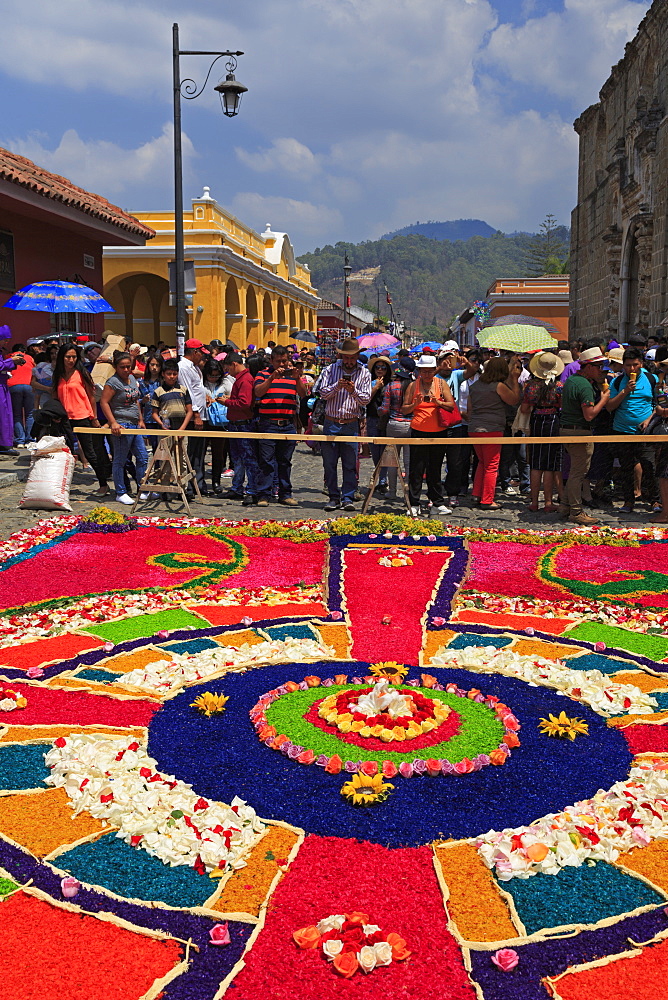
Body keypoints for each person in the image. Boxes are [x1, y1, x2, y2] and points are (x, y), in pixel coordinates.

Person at [317, 338, 372, 511]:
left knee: (350, 463)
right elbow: (322, 393)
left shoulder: (364, 373)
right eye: (346, 358)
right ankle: (333, 496)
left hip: (350, 424)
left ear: (357, 356)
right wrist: (337, 387)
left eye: (352, 358)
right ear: (341, 356)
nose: (349, 362)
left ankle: (348, 497)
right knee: (329, 463)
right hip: (331, 422)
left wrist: (353, 391)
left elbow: (365, 400)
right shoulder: (330, 370)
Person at [559, 346, 610, 524]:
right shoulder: (584, 386)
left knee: (575, 470)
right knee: (578, 473)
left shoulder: (572, 380)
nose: (601, 370)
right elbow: (589, 414)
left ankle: (565, 505)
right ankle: (575, 511)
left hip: (568, 429)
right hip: (578, 431)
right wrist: (604, 398)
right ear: (589, 367)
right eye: (598, 366)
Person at [605, 346, 658, 513]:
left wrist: (649, 420)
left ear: (641, 363)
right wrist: (625, 391)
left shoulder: (651, 379)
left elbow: (658, 404)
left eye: (635, 365)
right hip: (622, 430)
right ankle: (628, 501)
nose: (631, 368)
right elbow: (610, 407)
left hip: (645, 431)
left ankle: (654, 500)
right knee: (626, 468)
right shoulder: (617, 381)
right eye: (628, 365)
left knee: (649, 465)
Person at [401, 354, 455, 516]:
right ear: (419, 371)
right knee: (416, 469)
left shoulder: (441, 383)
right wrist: (415, 404)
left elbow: (451, 405)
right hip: (418, 431)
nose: (426, 375)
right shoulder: (412, 385)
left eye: (429, 371)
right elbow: (404, 409)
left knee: (435, 468)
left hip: (439, 432)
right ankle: (414, 503)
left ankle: (437, 502)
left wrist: (438, 402)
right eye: (423, 371)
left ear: (434, 370)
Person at [53, 343, 110, 495]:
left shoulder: (81, 373)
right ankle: (61, 485)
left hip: (82, 416)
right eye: (67, 357)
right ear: (62, 358)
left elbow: (91, 397)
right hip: (63, 419)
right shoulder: (57, 374)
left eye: (73, 357)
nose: (71, 360)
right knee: (65, 453)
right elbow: (55, 396)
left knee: (90, 452)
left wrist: (94, 417)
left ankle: (103, 484)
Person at [253, 345, 306, 506]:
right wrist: (271, 378)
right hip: (268, 423)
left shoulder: (293, 376)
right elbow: (258, 392)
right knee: (266, 461)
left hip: (288, 424)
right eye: (278, 362)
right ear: (271, 361)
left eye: (284, 361)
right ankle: (264, 494)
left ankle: (285, 493)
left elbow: (303, 394)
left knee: (285, 461)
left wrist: (297, 378)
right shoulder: (262, 374)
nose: (282, 365)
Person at [467, 356, 521, 509]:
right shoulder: (498, 386)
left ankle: (476, 494)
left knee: (482, 463)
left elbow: (470, 409)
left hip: (474, 428)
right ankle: (487, 499)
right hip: (492, 429)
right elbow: (513, 400)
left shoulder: (475, 385)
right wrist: (515, 380)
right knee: (491, 465)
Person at [99, 352, 149, 505]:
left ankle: (143, 489)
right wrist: (112, 422)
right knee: (120, 460)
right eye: (122, 367)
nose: (126, 370)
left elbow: (135, 401)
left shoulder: (132, 378)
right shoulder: (112, 382)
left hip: (134, 424)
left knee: (142, 457)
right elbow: (104, 402)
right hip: (122, 424)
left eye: (128, 366)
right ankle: (120, 492)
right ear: (115, 367)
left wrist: (140, 419)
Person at [521, 352, 564, 512]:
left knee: (535, 463)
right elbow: (561, 405)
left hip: (536, 420)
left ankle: (533, 501)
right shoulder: (559, 386)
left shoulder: (530, 386)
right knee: (549, 465)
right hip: (552, 420)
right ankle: (548, 502)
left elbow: (525, 408)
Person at [222, 352, 261, 506]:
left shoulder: (245, 380)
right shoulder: (241, 379)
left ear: (234, 365)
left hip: (243, 424)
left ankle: (251, 490)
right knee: (237, 458)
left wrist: (227, 402)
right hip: (236, 423)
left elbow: (244, 403)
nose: (228, 372)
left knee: (248, 458)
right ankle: (237, 487)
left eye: (228, 369)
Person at [377, 361, 412, 500]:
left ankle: (392, 491)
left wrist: (379, 411)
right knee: (409, 462)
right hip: (410, 425)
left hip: (393, 424)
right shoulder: (413, 386)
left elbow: (384, 410)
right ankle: (408, 493)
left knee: (393, 462)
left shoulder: (390, 386)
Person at [178, 339, 207, 496]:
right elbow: (187, 391)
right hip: (192, 416)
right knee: (190, 453)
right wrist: (196, 414)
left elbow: (197, 389)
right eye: (201, 353)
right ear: (195, 352)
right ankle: (189, 486)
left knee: (198, 453)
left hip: (201, 413)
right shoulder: (183, 367)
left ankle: (198, 484)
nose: (202, 357)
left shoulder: (194, 367)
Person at [202, 357, 234, 496]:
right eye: (211, 376)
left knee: (218, 454)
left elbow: (234, 396)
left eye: (216, 376)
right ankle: (200, 481)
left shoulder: (226, 382)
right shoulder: (201, 383)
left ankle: (216, 481)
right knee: (201, 452)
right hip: (204, 421)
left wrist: (226, 398)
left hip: (220, 422)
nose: (214, 378)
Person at [366, 357, 393, 494]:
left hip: (387, 420)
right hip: (372, 419)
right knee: (375, 451)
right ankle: (380, 475)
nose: (380, 370)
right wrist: (376, 387)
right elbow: (365, 400)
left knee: (385, 451)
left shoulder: (391, 384)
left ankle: (382, 480)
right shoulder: (369, 383)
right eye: (377, 367)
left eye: (383, 367)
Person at [7, 343, 34, 445]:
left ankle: (20, 440)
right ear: (24, 351)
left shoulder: (9, 357)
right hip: (29, 385)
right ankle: (30, 439)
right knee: (30, 414)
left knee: (17, 414)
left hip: (13, 386)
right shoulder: (29, 358)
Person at [31, 341, 59, 410]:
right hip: (46, 397)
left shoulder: (64, 366)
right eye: (52, 353)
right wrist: (47, 389)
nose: (54, 355)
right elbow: (33, 383)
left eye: (56, 353)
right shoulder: (42, 367)